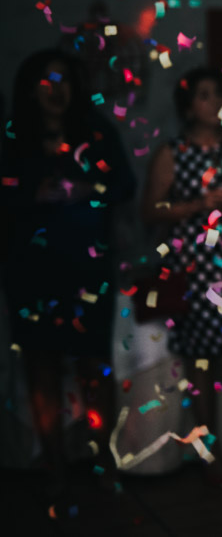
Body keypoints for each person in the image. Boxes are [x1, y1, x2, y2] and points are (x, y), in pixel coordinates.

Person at [0, 48, 136, 496]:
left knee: (94, 368)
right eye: (46, 80)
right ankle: (53, 464)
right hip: (31, 271)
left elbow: (124, 185)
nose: (55, 89)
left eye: (63, 80)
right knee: (41, 365)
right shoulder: (13, 138)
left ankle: (104, 462)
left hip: (86, 268)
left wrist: (87, 186)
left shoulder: (95, 133)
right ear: (31, 88)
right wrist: (30, 192)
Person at [140, 67, 222, 482]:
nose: (215, 103)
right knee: (201, 363)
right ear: (189, 106)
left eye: (221, 95)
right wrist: (197, 205)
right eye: (206, 95)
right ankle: (210, 454)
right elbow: (149, 211)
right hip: (191, 271)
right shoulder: (172, 153)